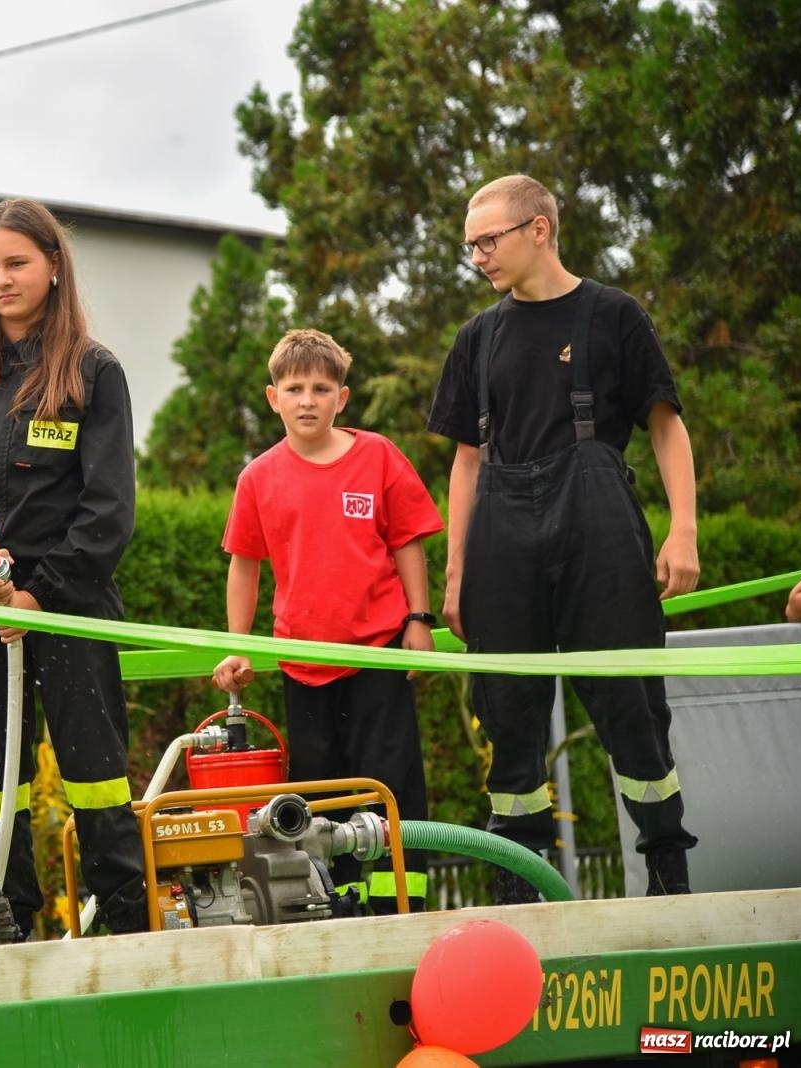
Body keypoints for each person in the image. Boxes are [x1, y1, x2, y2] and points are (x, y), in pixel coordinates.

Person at [427, 174, 700, 902]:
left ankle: (667, 867)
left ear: (539, 229)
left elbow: (667, 426)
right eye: (470, 246)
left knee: (631, 706)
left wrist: (684, 529)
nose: (478, 256)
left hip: (599, 526)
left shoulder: (615, 315)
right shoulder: (477, 338)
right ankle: (521, 888)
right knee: (507, 713)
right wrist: (456, 574)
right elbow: (466, 461)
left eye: (489, 240)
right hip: (501, 538)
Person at [0, 197, 148, 937]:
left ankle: (124, 926)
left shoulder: (92, 373)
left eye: (17, 263)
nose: (1, 280)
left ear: (53, 267)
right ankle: (5, 926)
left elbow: (109, 510)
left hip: (68, 609)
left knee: (96, 775)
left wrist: (41, 594)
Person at [211, 329, 443, 913]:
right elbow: (245, 567)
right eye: (295, 388)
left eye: (321, 387)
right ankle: (338, 904)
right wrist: (239, 649)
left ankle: (398, 909)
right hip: (304, 665)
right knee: (321, 794)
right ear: (274, 398)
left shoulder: (378, 455)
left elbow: (407, 541)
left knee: (389, 788)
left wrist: (419, 619)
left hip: (377, 654)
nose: (308, 399)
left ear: (342, 397)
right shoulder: (258, 478)